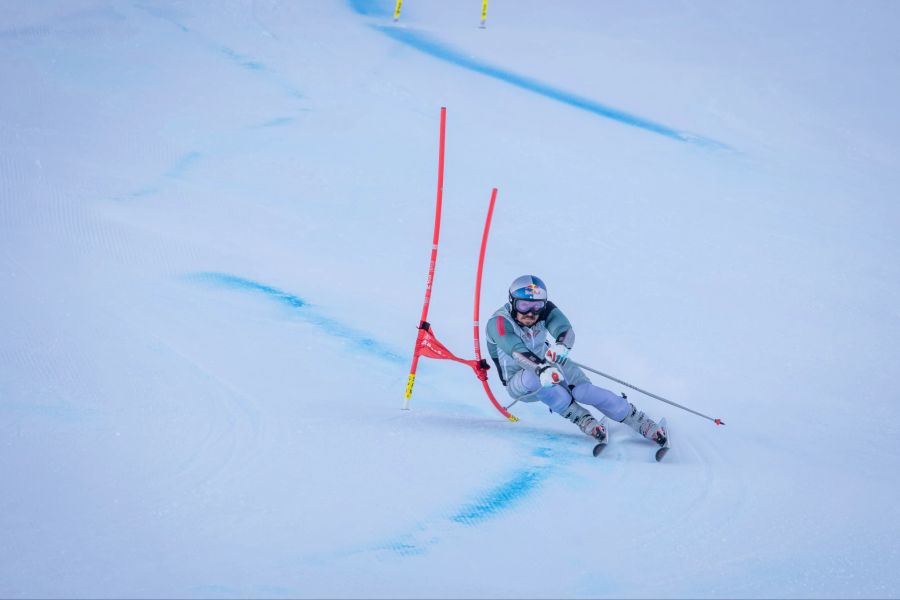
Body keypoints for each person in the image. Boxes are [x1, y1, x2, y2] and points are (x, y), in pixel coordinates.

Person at [485, 274, 667, 446]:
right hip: (521, 383)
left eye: (537, 306)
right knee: (536, 379)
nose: (531, 313)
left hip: (548, 364)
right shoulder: (498, 322)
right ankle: (581, 417)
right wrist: (541, 369)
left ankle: (641, 421)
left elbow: (565, 329)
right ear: (512, 302)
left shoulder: (544, 311)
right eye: (524, 306)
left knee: (583, 391)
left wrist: (562, 347)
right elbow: (516, 350)